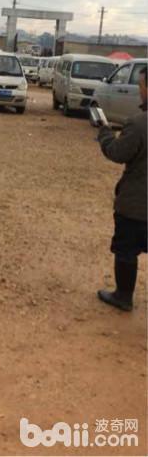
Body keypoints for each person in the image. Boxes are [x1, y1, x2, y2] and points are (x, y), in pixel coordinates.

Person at [96, 65, 147, 311]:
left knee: (126, 250)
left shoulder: (138, 124)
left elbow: (117, 153)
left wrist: (105, 133)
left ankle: (123, 297)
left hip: (137, 205)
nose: (139, 90)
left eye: (141, 85)